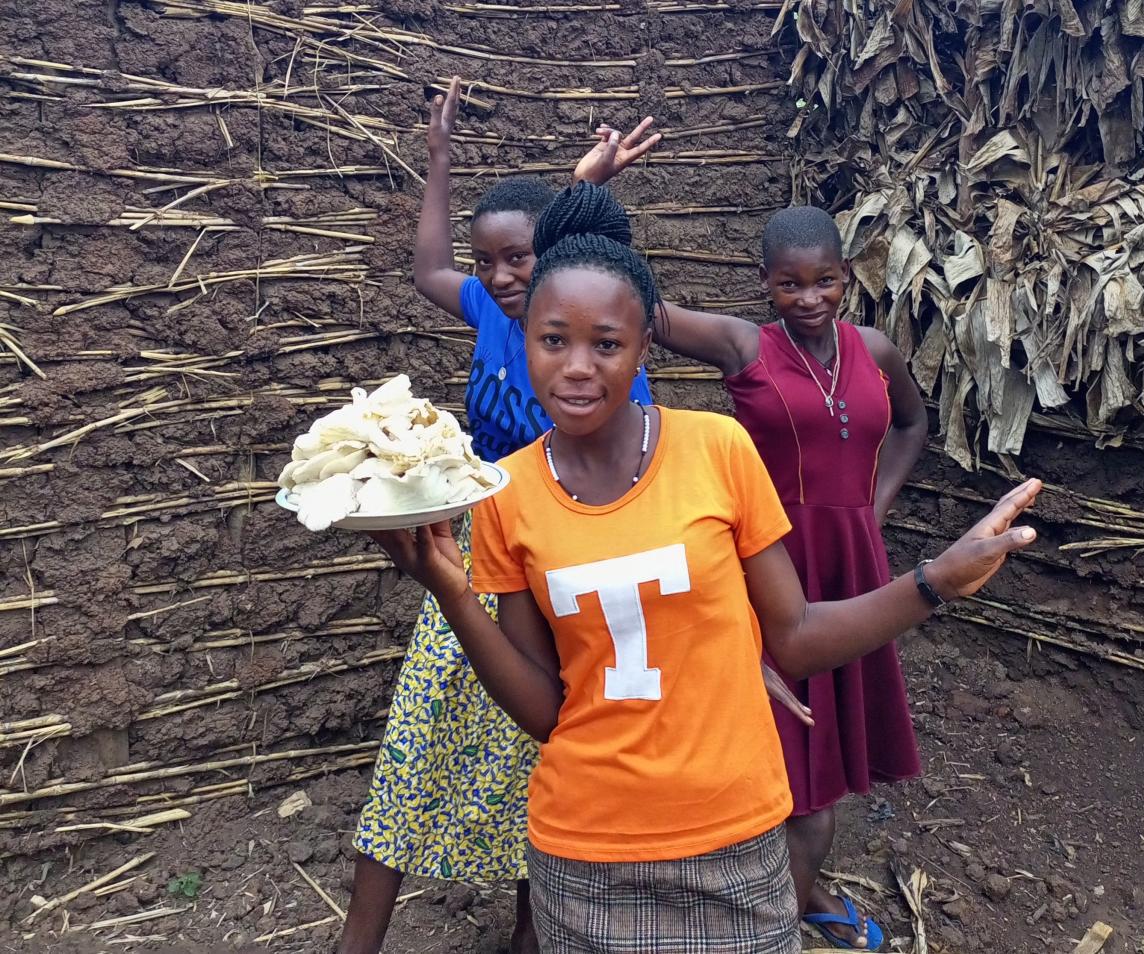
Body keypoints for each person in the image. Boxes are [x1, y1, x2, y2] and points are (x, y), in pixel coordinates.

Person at [366, 182, 1042, 953]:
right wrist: (451, 589)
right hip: (585, 855)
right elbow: (546, 712)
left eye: (607, 344)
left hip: (736, 840)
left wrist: (936, 580)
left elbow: (795, 637)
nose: (578, 367)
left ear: (644, 347)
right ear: (524, 343)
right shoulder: (506, 495)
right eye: (553, 341)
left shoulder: (716, 451)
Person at [336, 80, 660, 954]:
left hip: (564, 549)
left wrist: (584, 186)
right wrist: (438, 159)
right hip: (479, 546)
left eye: (519, 258)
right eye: (492, 263)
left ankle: (531, 938)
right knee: (415, 734)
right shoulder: (485, 310)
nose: (502, 276)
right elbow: (426, 269)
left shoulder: (580, 338)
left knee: (539, 750)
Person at [624, 199, 928, 948]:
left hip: (852, 567)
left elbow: (913, 424)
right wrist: (595, 197)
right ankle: (770, 916)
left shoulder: (876, 349)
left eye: (824, 281)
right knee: (784, 760)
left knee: (816, 755)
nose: (810, 299)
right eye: (790, 285)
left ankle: (783, 901)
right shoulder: (744, 347)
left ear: (846, 278)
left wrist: (870, 507)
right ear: (765, 285)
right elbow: (642, 309)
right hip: (769, 567)